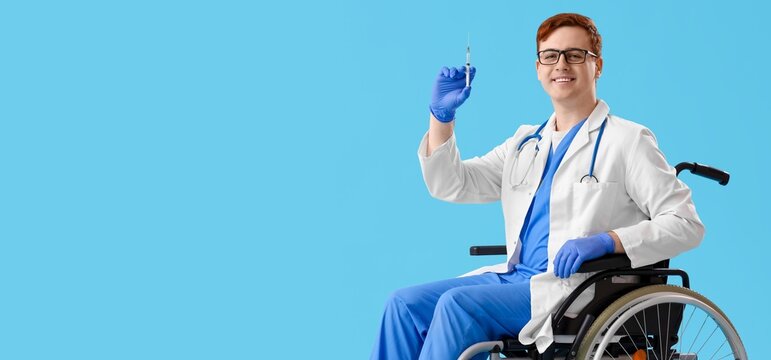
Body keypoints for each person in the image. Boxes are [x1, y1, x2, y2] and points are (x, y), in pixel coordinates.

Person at [370, 13, 705, 360]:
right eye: (550, 55)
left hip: (573, 289)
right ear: (538, 68)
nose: (561, 64)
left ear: (598, 66)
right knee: (403, 305)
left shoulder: (628, 140)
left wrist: (608, 241)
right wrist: (442, 119)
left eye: (575, 54)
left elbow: (686, 223)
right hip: (513, 279)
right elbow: (453, 184)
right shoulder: (526, 142)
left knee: (458, 306)